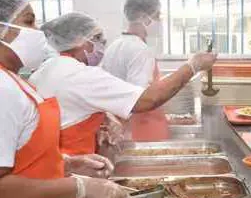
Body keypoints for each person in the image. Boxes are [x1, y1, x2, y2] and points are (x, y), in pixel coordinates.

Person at [0, 0, 130, 198]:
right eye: (29, 21)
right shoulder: (1, 88)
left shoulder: (15, 82)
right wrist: (80, 186)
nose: (38, 32)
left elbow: (22, 156)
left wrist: (67, 163)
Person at [30, 12, 216, 156]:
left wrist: (103, 118)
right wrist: (193, 65)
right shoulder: (79, 75)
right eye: (97, 39)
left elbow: (69, 110)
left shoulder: (47, 69)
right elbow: (148, 100)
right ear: (80, 41)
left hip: (58, 163)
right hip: (69, 169)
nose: (102, 45)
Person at [100, 0, 171, 141]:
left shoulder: (115, 45)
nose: (160, 21)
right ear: (144, 18)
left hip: (125, 126)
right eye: (157, 16)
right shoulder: (140, 50)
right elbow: (139, 98)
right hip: (143, 130)